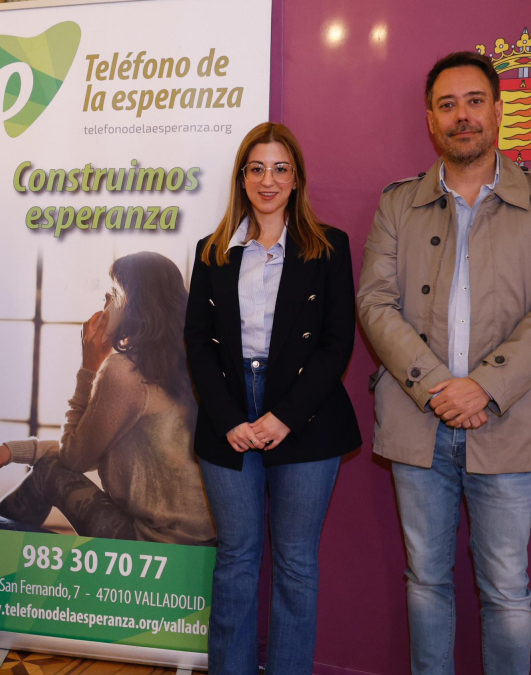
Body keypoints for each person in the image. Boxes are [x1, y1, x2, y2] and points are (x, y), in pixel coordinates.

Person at [356, 52, 531, 674]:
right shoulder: (398, 204)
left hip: (508, 423)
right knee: (425, 581)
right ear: (431, 119)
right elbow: (374, 302)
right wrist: (438, 387)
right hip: (417, 422)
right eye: (448, 104)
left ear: (499, 110)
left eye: (475, 101)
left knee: (506, 590)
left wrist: (483, 386)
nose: (463, 116)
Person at [184, 122, 361, 674]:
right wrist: (228, 419)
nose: (269, 180)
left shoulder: (329, 247)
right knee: (236, 559)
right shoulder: (211, 251)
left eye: (280, 168)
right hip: (229, 410)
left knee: (296, 564)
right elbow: (197, 342)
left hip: (305, 413)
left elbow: (337, 343)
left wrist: (284, 416)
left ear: (297, 178)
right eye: (257, 168)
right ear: (242, 177)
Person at [0, 252, 214, 546]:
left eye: (111, 294)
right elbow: (89, 446)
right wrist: (15, 451)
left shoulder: (124, 372)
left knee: (46, 473)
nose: (104, 304)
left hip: (155, 546)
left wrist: (89, 368)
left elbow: (74, 458)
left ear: (133, 303)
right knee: (47, 472)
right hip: (199, 549)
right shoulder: (185, 365)